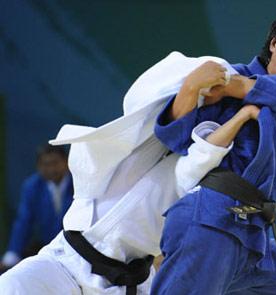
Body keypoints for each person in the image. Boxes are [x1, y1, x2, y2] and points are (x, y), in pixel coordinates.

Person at [0, 52, 239, 294]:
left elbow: (204, 149)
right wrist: (193, 86)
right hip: (67, 265)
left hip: (130, 281)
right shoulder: (129, 146)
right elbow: (174, 122)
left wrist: (243, 110)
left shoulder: (189, 170)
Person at [151, 8, 276, 295]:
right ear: (274, 44)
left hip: (256, 236)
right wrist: (191, 88)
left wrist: (235, 88)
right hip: (212, 219)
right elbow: (176, 138)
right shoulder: (227, 74)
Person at [0, 144, 73, 272]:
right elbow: (24, 222)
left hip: (76, 248)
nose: (51, 169)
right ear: (38, 166)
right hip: (48, 248)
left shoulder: (79, 183)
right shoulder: (32, 186)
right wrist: (12, 254)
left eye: (55, 163)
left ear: (66, 162)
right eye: (45, 164)